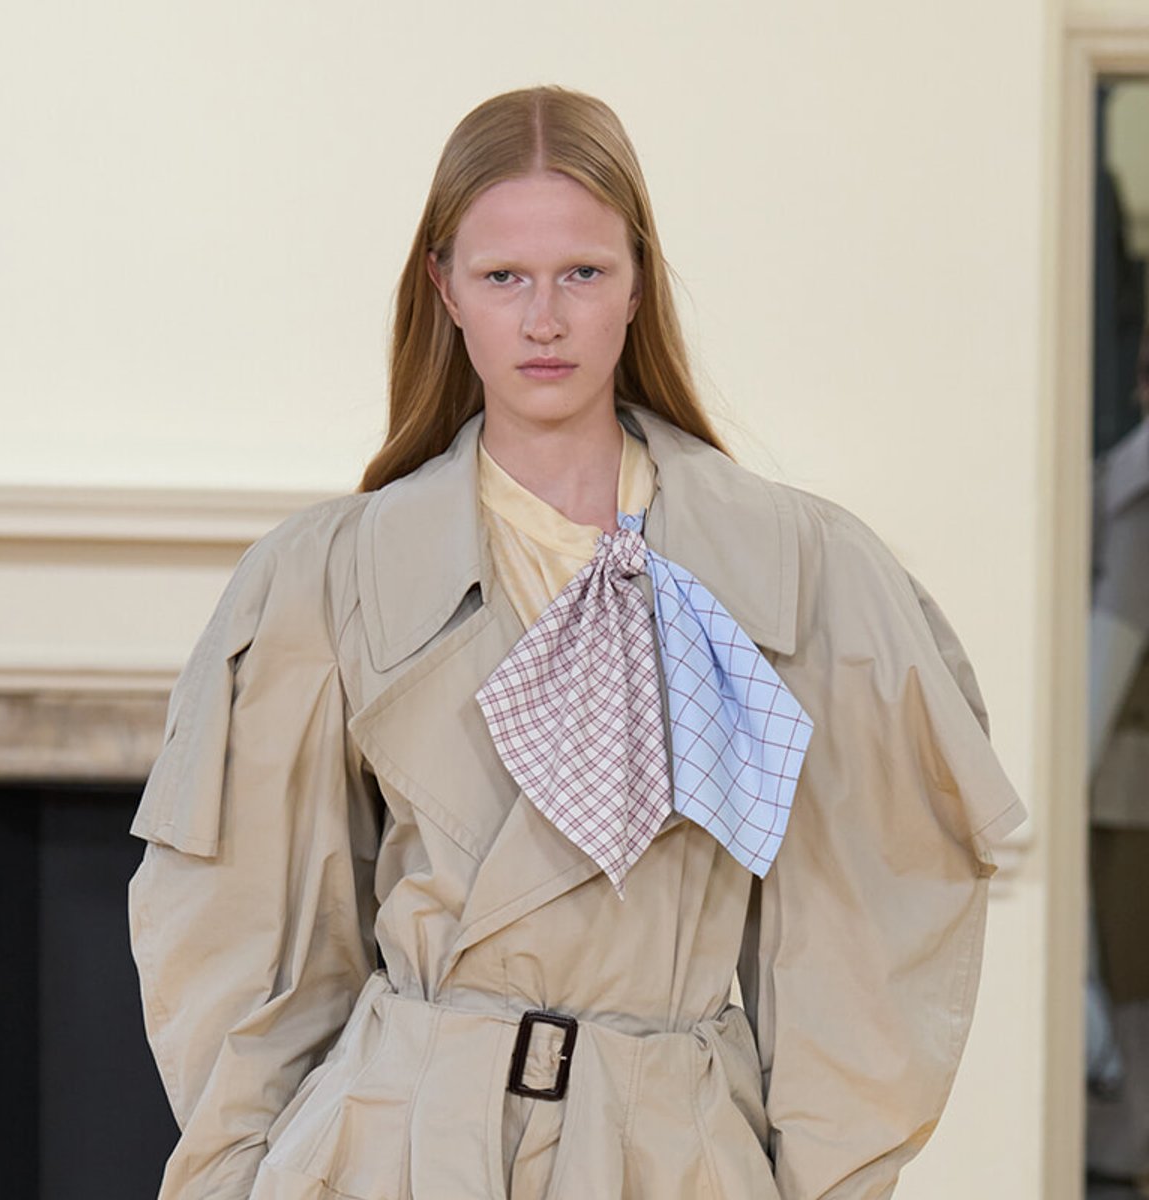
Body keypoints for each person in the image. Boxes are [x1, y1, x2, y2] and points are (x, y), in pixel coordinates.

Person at [129, 85, 1027, 1200]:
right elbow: (250, 936)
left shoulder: (801, 572)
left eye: (583, 275)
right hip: (394, 1147)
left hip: (669, 1150)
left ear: (639, 281)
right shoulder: (326, 579)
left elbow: (862, 929)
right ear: (444, 286)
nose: (542, 319)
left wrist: (822, 1183)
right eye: (504, 276)